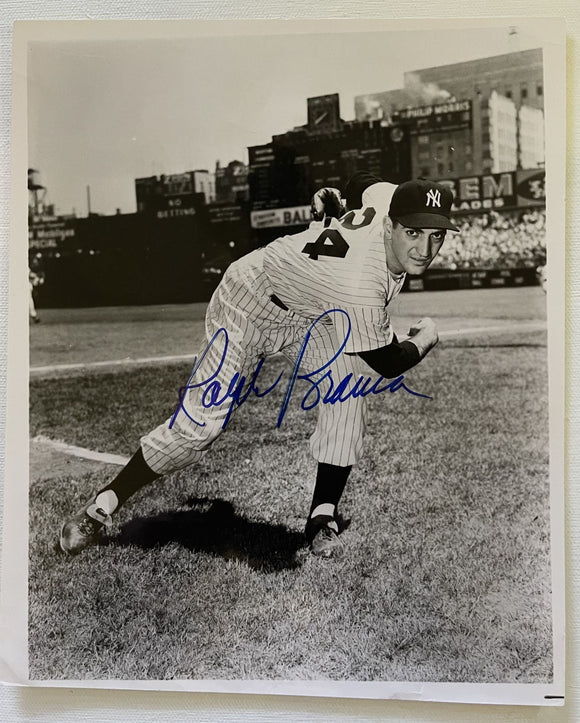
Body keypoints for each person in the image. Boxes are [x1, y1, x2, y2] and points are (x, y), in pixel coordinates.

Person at [60, 175, 459, 558]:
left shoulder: (388, 196)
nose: (425, 248)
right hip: (248, 300)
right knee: (199, 428)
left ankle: (322, 516)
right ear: (390, 223)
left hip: (307, 312)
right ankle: (103, 504)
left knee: (348, 390)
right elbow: (389, 361)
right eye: (413, 233)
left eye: (436, 235)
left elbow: (359, 180)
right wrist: (423, 338)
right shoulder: (362, 281)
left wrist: (338, 201)